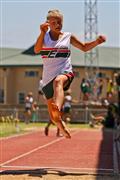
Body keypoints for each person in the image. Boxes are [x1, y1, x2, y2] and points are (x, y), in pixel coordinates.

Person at [34, 9, 106, 138]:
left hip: (65, 72)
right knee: (53, 117)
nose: (58, 25)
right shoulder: (44, 37)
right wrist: (41, 33)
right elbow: (37, 49)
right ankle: (61, 126)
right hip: (47, 79)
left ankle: (58, 105)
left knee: (58, 81)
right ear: (48, 24)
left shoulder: (68, 36)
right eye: (54, 22)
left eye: (60, 22)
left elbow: (84, 47)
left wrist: (96, 42)